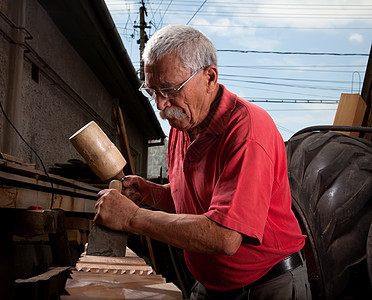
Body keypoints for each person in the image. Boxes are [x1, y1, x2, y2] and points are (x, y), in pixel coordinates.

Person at [94, 24, 311, 300]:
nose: (161, 105)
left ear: (209, 77)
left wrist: (132, 217)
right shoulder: (181, 127)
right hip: (210, 286)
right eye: (152, 92)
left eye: (170, 90)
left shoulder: (248, 131)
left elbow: (225, 236)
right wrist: (149, 193)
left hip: (266, 286)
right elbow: (193, 204)